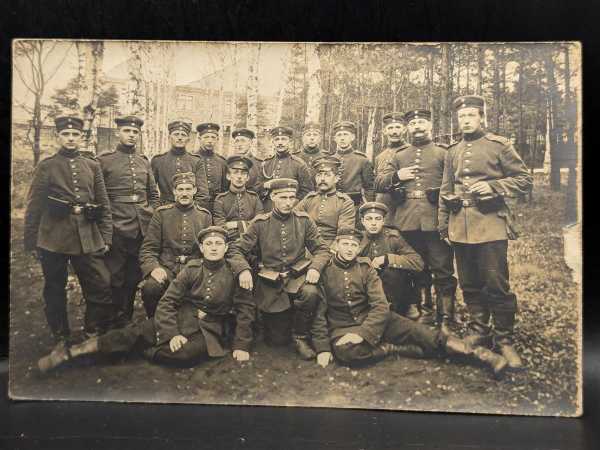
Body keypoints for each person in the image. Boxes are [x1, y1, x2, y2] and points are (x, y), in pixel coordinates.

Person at [38, 226, 256, 372]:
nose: (214, 247)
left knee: (183, 355)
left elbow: (246, 310)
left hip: (209, 328)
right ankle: (70, 353)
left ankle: (137, 348)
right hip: (182, 316)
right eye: (209, 244)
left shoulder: (236, 273)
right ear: (201, 248)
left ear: (227, 248)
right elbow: (168, 302)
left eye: (219, 243)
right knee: (132, 332)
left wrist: (242, 345)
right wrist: (171, 333)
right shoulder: (191, 269)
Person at [310, 228, 508, 379]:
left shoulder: (366, 269)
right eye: (345, 244)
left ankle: (484, 356)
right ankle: (392, 348)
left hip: (378, 320)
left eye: (354, 245)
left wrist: (362, 334)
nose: (350, 249)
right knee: (346, 353)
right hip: (343, 326)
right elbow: (319, 314)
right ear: (335, 246)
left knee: (426, 335)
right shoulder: (324, 272)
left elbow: (380, 306)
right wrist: (323, 349)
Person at [439, 95, 533, 369]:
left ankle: (504, 339)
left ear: (481, 117)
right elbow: (446, 189)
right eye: (461, 117)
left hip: (490, 224)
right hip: (460, 225)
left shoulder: (499, 146)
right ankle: (480, 329)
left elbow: (524, 180)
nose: (465, 120)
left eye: (471, 115)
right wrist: (444, 224)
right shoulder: (453, 150)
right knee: (469, 283)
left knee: (496, 284)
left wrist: (494, 187)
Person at [24, 116, 115, 342]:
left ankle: (92, 332)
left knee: (100, 285)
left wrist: (106, 237)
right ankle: (60, 336)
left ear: (82, 137)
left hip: (87, 235)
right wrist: (31, 241)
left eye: (75, 135)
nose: (71, 139)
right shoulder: (46, 166)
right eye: (66, 134)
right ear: (58, 136)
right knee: (55, 288)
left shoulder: (92, 166)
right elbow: (34, 205)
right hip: (53, 237)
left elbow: (103, 203)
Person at [227, 178, 330, 360]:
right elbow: (235, 249)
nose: (288, 202)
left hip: (297, 278)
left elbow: (322, 249)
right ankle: (281, 324)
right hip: (270, 283)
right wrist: (243, 270)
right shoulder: (260, 223)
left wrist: (315, 267)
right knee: (276, 341)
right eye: (283, 197)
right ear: (273, 197)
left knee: (310, 292)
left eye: (292, 198)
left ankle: (300, 337)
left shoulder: (304, 221)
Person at [376, 109, 458, 332]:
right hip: (408, 219)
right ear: (408, 128)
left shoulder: (443, 152)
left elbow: (456, 182)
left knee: (442, 268)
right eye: (413, 124)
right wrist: (397, 177)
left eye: (422, 123)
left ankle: (446, 318)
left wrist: (442, 198)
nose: (418, 127)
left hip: (435, 219)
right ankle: (425, 311)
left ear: (430, 125)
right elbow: (379, 182)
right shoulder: (400, 154)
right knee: (417, 268)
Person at [98, 115, 160, 325]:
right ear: (118, 133)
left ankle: (126, 318)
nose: (131, 135)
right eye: (127, 131)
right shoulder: (104, 160)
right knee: (115, 277)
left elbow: (153, 194)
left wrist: (149, 212)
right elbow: (100, 196)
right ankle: (112, 321)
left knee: (133, 277)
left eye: (135, 132)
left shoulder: (143, 161)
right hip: (116, 227)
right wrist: (108, 223)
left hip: (141, 228)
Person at [139, 172, 213, 318]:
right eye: (180, 189)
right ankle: (154, 323)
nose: (184, 193)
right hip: (167, 267)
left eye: (188, 189)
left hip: (194, 268)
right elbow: (148, 249)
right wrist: (154, 268)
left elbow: (208, 250)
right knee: (151, 288)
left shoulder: (204, 216)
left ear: (195, 190)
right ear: (174, 191)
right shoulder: (161, 214)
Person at [358, 202, 424, 318]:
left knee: (393, 272)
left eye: (378, 219)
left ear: (383, 221)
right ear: (363, 221)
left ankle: (402, 309)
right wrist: (365, 262)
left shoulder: (393, 237)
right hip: (367, 287)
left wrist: (387, 259)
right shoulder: (357, 239)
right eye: (369, 219)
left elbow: (418, 262)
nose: (373, 223)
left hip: (393, 290)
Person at [294, 155, 355, 248]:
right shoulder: (309, 199)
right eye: (319, 175)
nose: (322, 179)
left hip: (331, 248)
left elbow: (344, 234)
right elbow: (294, 221)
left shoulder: (344, 202)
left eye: (327, 175)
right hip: (306, 246)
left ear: (336, 178)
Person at [150, 120, 210, 208]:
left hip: (190, 209)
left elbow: (203, 193)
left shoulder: (196, 161)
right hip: (165, 209)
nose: (180, 138)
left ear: (188, 139)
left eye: (183, 135)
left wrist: (193, 210)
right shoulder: (158, 160)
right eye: (176, 134)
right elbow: (151, 191)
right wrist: (157, 209)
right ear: (169, 137)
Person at [258, 126, 314, 210]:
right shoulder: (266, 163)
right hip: (269, 209)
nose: (280, 143)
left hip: (290, 209)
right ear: (272, 142)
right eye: (277, 139)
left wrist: (292, 203)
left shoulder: (299, 164)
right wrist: (265, 186)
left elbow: (307, 191)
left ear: (290, 142)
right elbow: (258, 187)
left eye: (283, 139)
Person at [331, 121, 375, 224]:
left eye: (346, 134)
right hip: (332, 206)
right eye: (339, 135)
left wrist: (367, 208)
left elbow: (369, 188)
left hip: (354, 207)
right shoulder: (329, 160)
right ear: (334, 139)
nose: (342, 138)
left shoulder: (362, 160)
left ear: (352, 137)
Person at [213, 155, 264, 240]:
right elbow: (221, 228)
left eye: (243, 173)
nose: (239, 176)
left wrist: (235, 225)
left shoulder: (254, 198)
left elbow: (260, 224)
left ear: (247, 178)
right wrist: (249, 224)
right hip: (230, 244)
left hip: (252, 243)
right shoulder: (220, 199)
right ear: (228, 176)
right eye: (236, 172)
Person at [194, 122, 228, 210]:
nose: (210, 140)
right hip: (196, 207)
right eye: (206, 137)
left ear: (217, 139)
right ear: (199, 138)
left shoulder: (222, 162)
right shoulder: (192, 159)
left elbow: (225, 188)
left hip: (216, 207)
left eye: (213, 137)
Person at [230, 128, 262, 194]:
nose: (239, 144)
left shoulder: (259, 164)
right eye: (237, 141)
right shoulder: (228, 163)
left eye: (243, 141)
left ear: (251, 143)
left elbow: (260, 187)